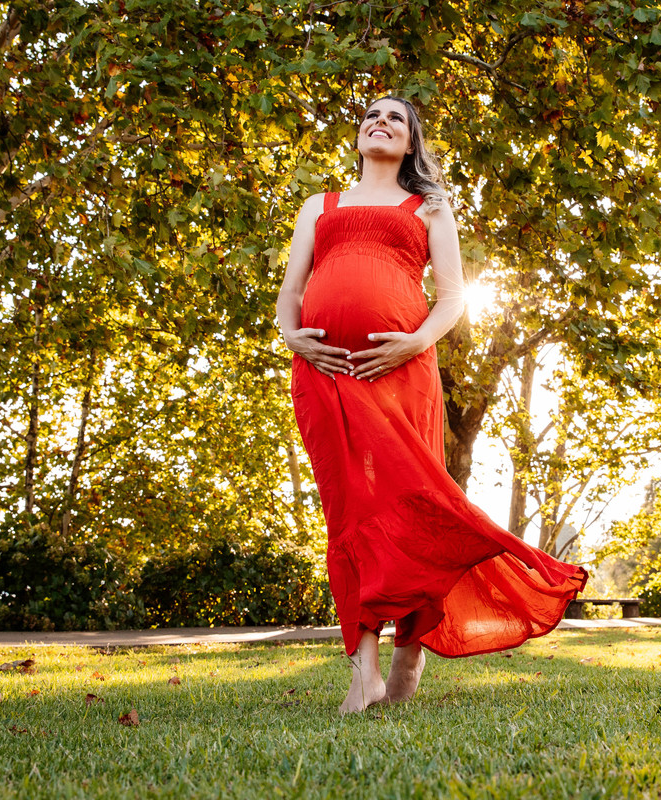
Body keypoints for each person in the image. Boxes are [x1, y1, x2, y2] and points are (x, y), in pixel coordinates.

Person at [276, 97, 587, 714]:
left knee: (411, 503)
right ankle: (361, 664)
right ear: (358, 135)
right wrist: (292, 335)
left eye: (395, 118)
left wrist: (412, 343)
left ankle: (407, 651)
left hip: (402, 373)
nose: (379, 122)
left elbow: (452, 299)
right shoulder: (321, 206)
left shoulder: (430, 209)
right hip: (324, 376)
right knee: (350, 510)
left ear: (413, 142)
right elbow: (291, 294)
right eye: (370, 115)